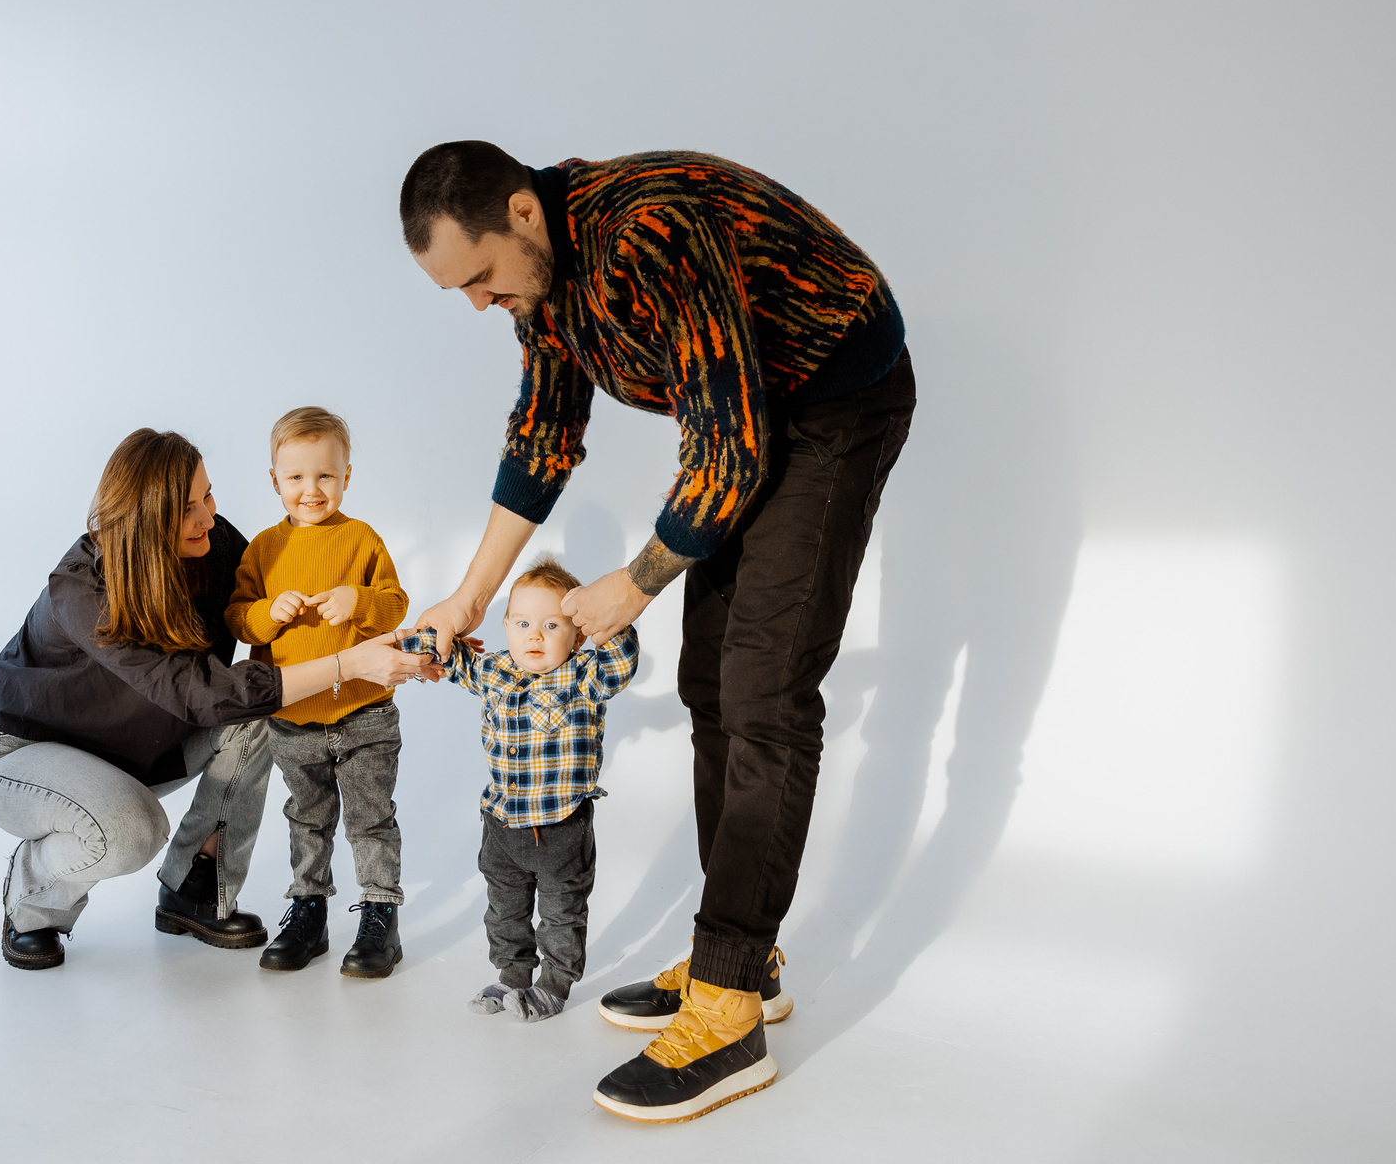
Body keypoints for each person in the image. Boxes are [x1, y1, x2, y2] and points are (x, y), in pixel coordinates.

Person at [400, 142, 915, 1122]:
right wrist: (467, 601)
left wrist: (633, 584)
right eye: (456, 289)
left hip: (835, 401)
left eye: (479, 277)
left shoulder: (649, 232)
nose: (476, 303)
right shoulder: (539, 285)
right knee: (710, 683)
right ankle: (743, 958)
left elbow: (734, 450)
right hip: (750, 413)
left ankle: (729, 1009)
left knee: (765, 693)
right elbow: (543, 437)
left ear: (522, 213)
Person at [0, 427, 430, 970]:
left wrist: (407, 644)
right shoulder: (84, 590)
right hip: (27, 754)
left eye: (208, 496)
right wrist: (347, 666)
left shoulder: (215, 545)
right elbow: (197, 693)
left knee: (260, 718)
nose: (208, 517)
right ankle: (31, 903)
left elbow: (290, 619)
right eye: (187, 509)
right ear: (144, 519)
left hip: (142, 748)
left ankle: (195, 888)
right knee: (130, 831)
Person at [398, 556, 638, 1023]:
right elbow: (450, 656)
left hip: (560, 826)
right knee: (503, 910)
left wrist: (607, 616)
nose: (535, 636)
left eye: (552, 625)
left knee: (561, 913)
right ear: (506, 626)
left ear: (578, 634)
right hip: (501, 824)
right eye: (523, 623)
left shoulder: (585, 675)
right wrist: (416, 640)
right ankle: (511, 975)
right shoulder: (495, 671)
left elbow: (621, 658)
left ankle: (554, 985)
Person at [226, 407, 413, 978]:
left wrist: (360, 601)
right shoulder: (264, 549)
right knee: (307, 819)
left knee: (370, 818)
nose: (312, 490)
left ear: (346, 476)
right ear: (275, 481)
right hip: (292, 719)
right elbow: (237, 618)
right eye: (296, 477)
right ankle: (309, 912)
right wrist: (267, 612)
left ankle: (380, 916)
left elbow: (395, 605)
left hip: (364, 713)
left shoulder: (362, 539)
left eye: (325, 475)